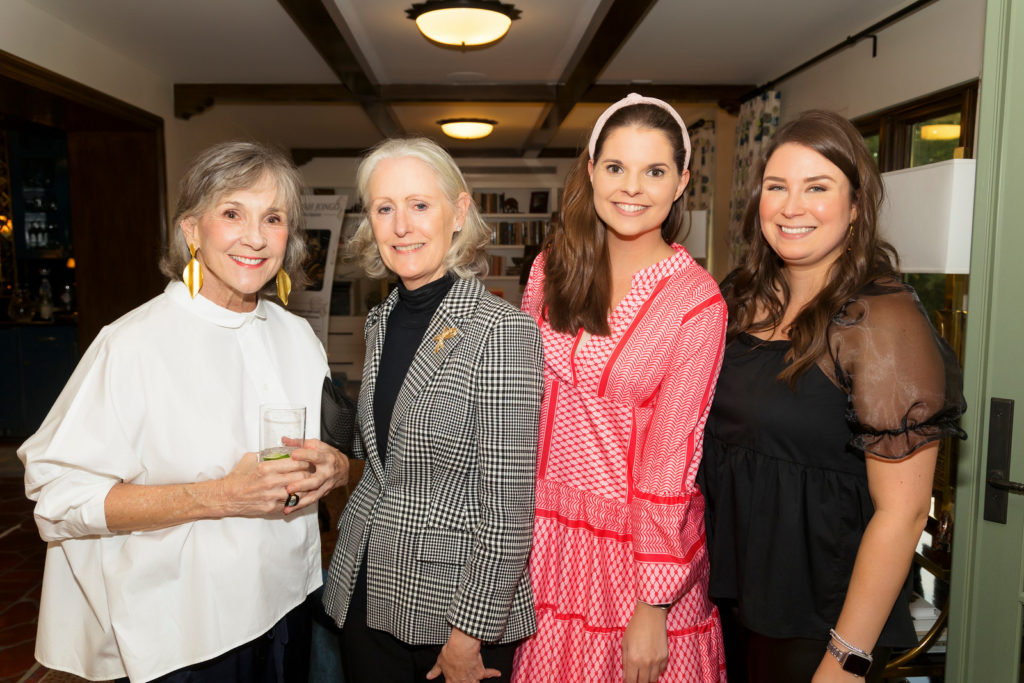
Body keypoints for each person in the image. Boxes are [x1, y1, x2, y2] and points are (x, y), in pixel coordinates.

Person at [18, 140, 350, 683]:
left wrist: (333, 465)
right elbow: (59, 497)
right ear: (191, 230)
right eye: (232, 213)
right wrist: (221, 495)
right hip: (185, 632)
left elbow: (316, 445)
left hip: (290, 602)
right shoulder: (132, 344)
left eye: (273, 218)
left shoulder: (297, 336)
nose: (254, 237)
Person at [699, 110, 967, 682]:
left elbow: (903, 511)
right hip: (727, 597)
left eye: (817, 188)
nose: (791, 207)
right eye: (777, 187)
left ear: (856, 206)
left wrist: (846, 658)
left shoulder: (880, 319)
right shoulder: (739, 298)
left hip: (820, 620)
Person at [511, 93, 728, 683]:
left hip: (632, 554)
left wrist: (653, 605)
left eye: (654, 171)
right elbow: (521, 406)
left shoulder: (695, 301)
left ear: (682, 182)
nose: (632, 187)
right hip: (540, 535)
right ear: (591, 171)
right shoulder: (550, 269)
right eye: (615, 167)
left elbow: (672, 457)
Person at [321, 137, 544, 683]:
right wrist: (332, 456)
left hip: (449, 614)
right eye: (384, 208)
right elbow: (387, 452)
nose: (402, 226)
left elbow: (509, 508)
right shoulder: (380, 321)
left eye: (419, 205)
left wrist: (469, 635)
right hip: (364, 588)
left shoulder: (501, 332)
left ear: (458, 213)